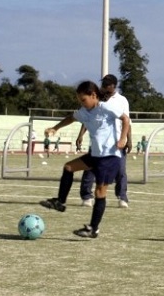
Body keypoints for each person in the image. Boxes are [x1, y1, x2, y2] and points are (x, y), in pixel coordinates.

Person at [40, 81, 129, 238]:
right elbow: (71, 118)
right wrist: (55, 128)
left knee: (100, 192)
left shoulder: (106, 107)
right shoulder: (84, 111)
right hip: (95, 155)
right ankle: (60, 202)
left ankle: (93, 229)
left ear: (93, 95)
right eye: (79, 100)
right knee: (68, 167)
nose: (82, 103)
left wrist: (123, 139)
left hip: (109, 157)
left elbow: (125, 119)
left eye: (83, 99)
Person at [78, 75, 131, 209]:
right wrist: (80, 135)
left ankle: (122, 197)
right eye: (104, 84)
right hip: (98, 141)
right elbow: (88, 117)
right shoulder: (97, 97)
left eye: (108, 84)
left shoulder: (122, 100)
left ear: (114, 86)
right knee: (90, 168)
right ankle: (86, 196)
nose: (105, 87)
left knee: (120, 170)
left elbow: (127, 120)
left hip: (116, 142)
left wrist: (127, 139)